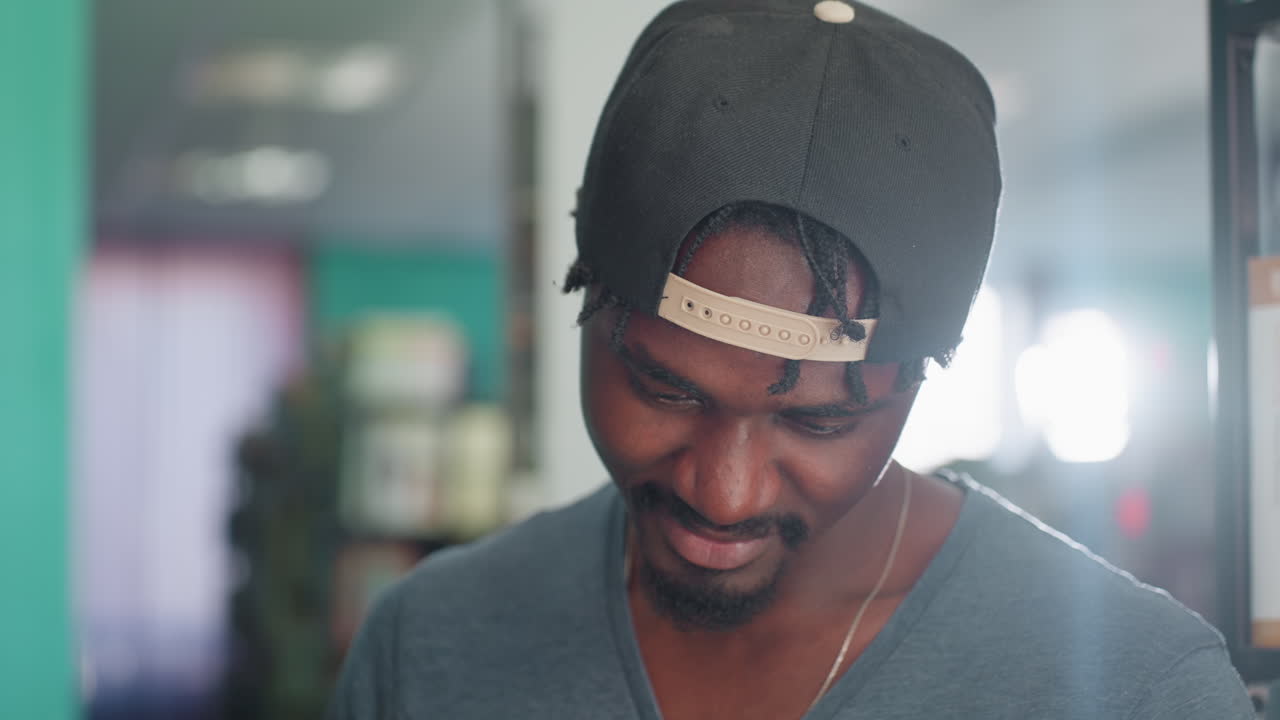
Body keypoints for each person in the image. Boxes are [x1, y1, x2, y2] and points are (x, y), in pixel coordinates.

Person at [329, 1, 1255, 717]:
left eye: (819, 420)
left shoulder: (1136, 690)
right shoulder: (430, 647)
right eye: (664, 386)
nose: (724, 494)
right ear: (580, 302)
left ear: (921, 382)